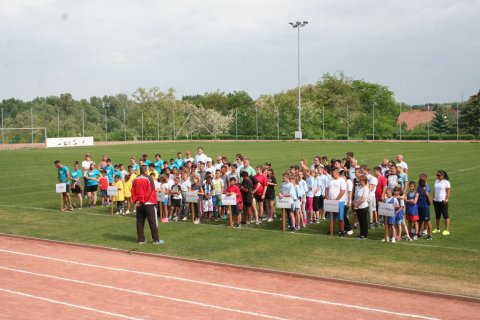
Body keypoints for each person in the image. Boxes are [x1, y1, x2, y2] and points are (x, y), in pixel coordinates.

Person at [131, 165, 163, 245]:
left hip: (139, 203)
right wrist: (142, 200)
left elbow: (132, 191)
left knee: (140, 221)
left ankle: (141, 240)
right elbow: (150, 191)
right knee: (152, 221)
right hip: (148, 202)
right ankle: (156, 240)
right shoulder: (149, 178)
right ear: (146, 170)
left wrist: (136, 201)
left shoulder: (136, 179)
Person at [325, 167, 347, 237]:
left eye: (333, 173)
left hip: (339, 202)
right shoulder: (330, 180)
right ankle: (332, 230)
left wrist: (336, 199)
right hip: (331, 201)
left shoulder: (342, 180)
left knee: (340, 217)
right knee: (332, 217)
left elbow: (342, 191)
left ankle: (342, 230)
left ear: (337, 173)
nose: (331, 174)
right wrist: (327, 197)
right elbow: (326, 188)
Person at [433, 170, 451, 235]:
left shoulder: (446, 182)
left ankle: (447, 230)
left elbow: (448, 191)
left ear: (443, 175)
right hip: (436, 200)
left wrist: (446, 199)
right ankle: (437, 228)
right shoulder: (436, 181)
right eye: (437, 175)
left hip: (443, 201)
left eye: (439, 175)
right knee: (437, 215)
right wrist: (433, 198)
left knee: (445, 215)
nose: (437, 176)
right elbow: (435, 190)